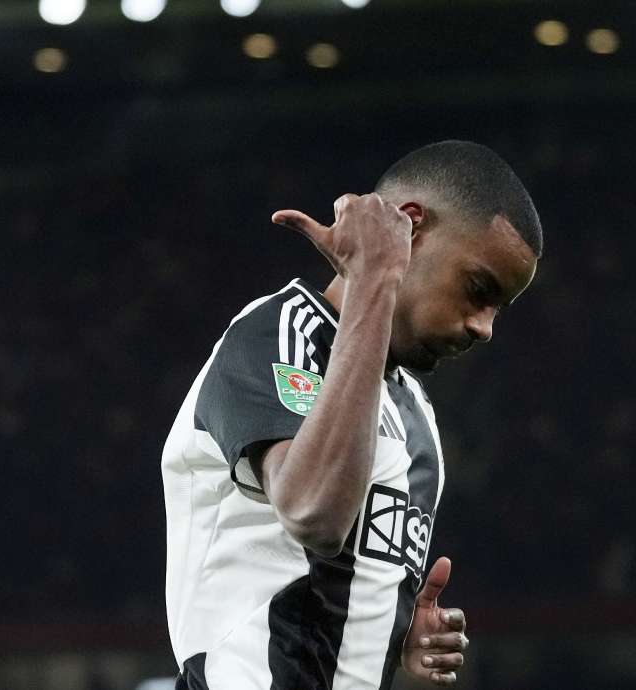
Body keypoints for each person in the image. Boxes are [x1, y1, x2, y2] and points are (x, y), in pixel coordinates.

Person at [161, 140, 543, 689]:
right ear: (408, 229)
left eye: (497, 308)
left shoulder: (417, 416)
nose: (483, 327)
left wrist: (391, 630)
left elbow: (327, 586)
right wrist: (373, 279)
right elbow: (312, 511)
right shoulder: (283, 332)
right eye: (477, 289)